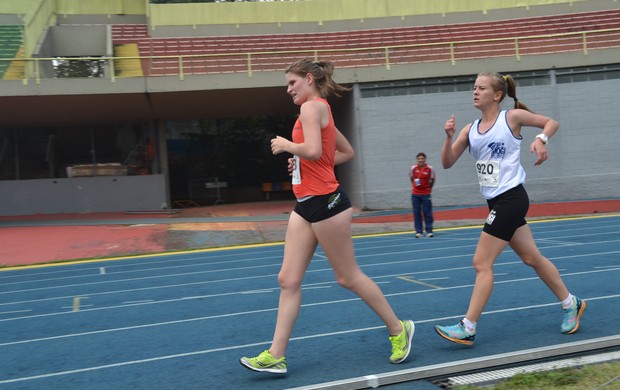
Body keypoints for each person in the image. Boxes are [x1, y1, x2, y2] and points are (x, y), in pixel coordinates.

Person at [239, 58, 414, 374]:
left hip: (327, 203)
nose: (288, 89)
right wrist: (304, 162)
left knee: (348, 277)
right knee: (288, 279)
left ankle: (399, 329)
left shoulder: (310, 109)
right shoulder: (320, 109)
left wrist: (287, 146)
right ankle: (276, 355)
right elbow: (343, 153)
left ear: (308, 79)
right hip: (306, 204)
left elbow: (317, 151)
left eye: (292, 83)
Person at [434, 71, 585, 346]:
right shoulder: (470, 130)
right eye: (474, 88)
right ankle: (571, 303)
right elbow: (446, 162)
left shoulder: (511, 118)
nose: (475, 92)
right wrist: (448, 137)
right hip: (496, 202)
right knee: (533, 259)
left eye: (481, 88)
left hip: (511, 199)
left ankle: (468, 326)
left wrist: (541, 139)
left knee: (481, 263)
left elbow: (551, 122)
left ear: (497, 95)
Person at [409, 152, 435, 238]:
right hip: (415, 194)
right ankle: (419, 232)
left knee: (427, 213)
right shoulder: (413, 168)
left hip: (426, 194)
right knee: (417, 213)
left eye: (422, 158)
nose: (421, 160)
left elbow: (433, 179)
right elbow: (411, 178)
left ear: (425, 159)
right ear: (417, 160)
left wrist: (429, 188)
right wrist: (415, 187)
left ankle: (429, 231)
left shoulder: (429, 168)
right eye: (419, 159)